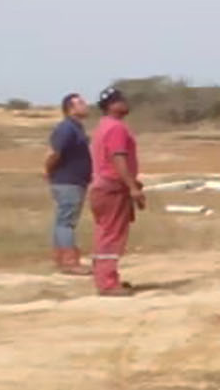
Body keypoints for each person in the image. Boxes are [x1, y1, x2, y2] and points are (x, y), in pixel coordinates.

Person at [87, 87, 145, 296]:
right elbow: (118, 158)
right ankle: (108, 282)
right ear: (110, 105)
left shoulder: (104, 126)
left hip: (103, 186)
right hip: (112, 188)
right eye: (119, 100)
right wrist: (131, 187)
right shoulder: (116, 128)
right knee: (111, 235)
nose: (125, 102)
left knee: (105, 232)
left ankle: (105, 277)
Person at [43, 93, 93, 276]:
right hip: (68, 181)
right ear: (70, 108)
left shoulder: (76, 128)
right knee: (67, 222)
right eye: (80, 103)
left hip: (73, 181)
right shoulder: (66, 129)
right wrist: (48, 171)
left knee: (62, 221)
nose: (85, 105)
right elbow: (55, 153)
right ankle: (70, 261)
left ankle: (61, 258)